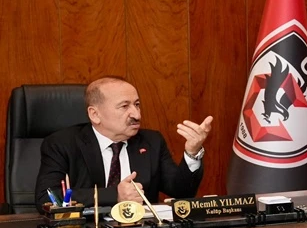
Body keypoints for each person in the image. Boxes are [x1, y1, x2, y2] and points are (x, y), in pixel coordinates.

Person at [34, 77, 213, 212]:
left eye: (137, 104)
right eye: (124, 106)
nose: (136, 114)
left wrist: (192, 152)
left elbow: (181, 192)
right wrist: (115, 195)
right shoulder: (63, 144)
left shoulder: (151, 141)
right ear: (95, 114)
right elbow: (46, 197)